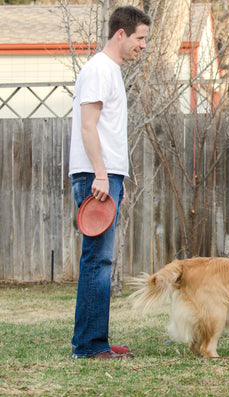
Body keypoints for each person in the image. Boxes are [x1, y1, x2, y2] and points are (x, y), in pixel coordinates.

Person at [68, 6, 151, 359]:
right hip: (95, 176)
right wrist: (102, 173)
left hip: (105, 175)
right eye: (140, 38)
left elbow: (105, 130)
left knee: (101, 262)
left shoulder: (110, 71)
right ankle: (89, 346)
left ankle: (93, 340)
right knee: (97, 262)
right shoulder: (99, 70)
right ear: (121, 33)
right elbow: (89, 126)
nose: (143, 46)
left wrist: (115, 174)